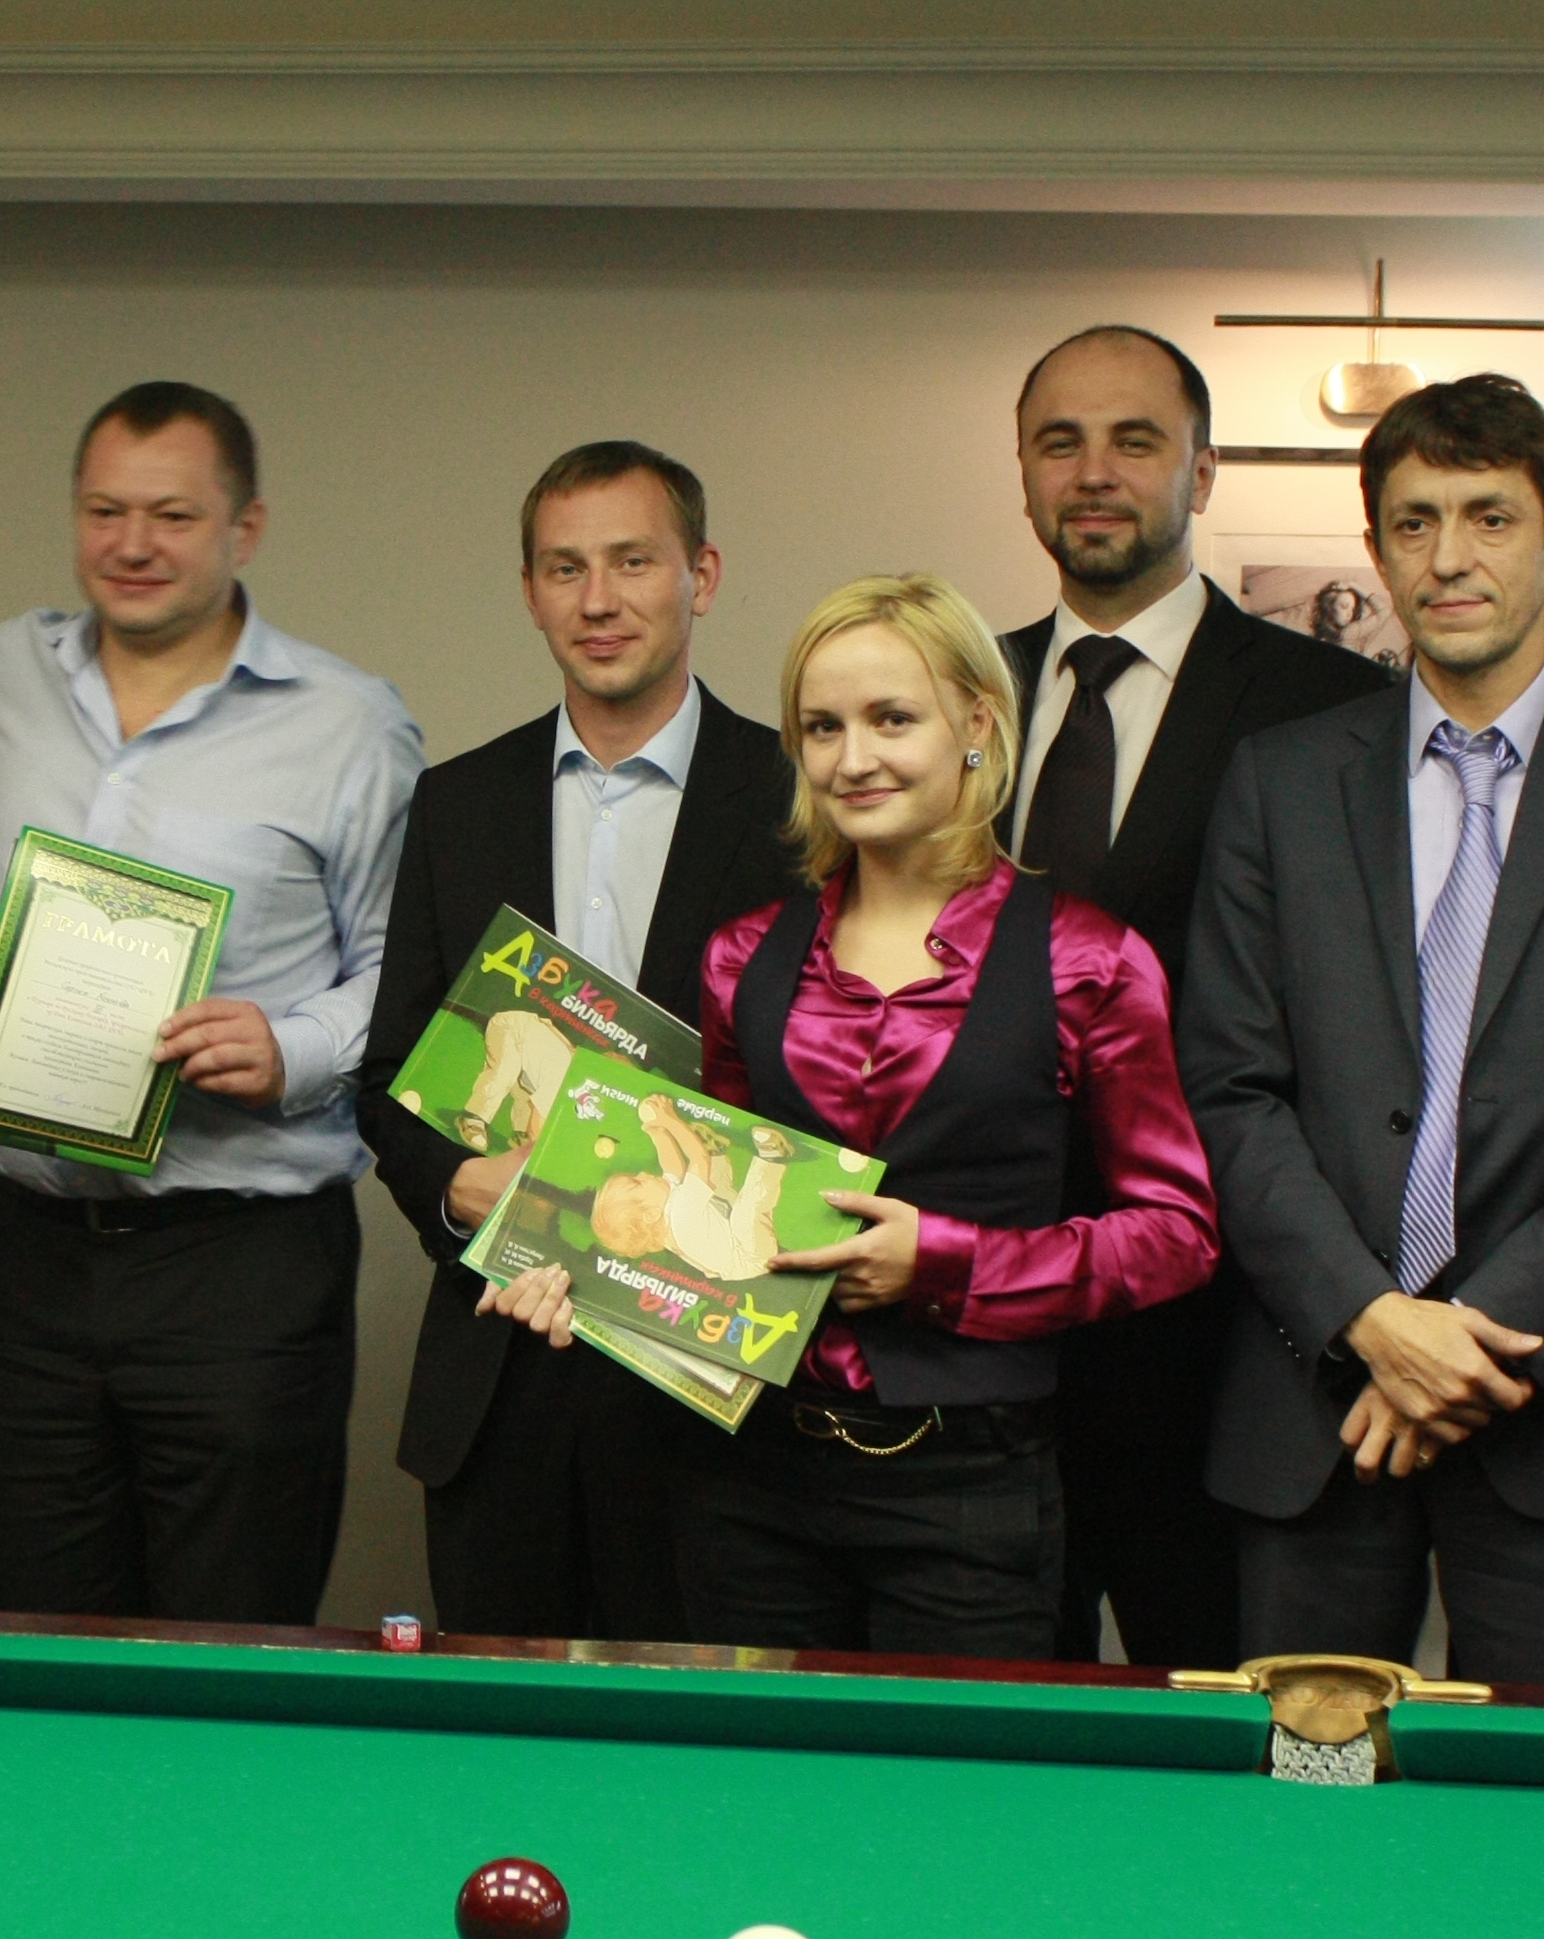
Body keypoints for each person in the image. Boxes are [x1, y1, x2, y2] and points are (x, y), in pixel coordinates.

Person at [488, 573, 1219, 1658]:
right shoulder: (743, 957)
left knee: (950, 1773)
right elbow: (708, 1209)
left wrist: (946, 1261)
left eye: (892, 719)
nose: (853, 758)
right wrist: (579, 1274)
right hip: (746, 1481)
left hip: (972, 1487)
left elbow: (1177, 1234)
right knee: (760, 1767)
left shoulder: (1090, 959)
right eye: (823, 727)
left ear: (978, 724)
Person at [1181, 374, 1544, 1690]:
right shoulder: (1281, 779)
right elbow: (1228, 1085)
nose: (1449, 557)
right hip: (1320, 1407)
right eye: (1415, 521)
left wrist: (1464, 1338)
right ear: (1378, 549)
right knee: (1315, 1786)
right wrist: (1369, 1321)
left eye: (1490, 517)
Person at [0, 381, 421, 1624]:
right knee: (34, 1640)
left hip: (239, 1264)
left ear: (246, 528)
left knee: (226, 1638)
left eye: (173, 515)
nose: (132, 543)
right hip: (28, 1257)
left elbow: (411, 975)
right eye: (104, 511)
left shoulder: (348, 725)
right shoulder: (8, 671)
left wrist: (293, 1046)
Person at [997, 327, 1389, 1668]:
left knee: (1228, 1720)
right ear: (1024, 473)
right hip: (985, 1346)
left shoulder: (1331, 709)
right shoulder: (953, 693)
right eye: (1060, 443)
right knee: (992, 1738)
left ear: (1204, 472)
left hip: (1231, 1345)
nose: (1094, 473)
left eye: (1136, 440)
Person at [355, 442, 793, 1640]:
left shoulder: (798, 795)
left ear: (702, 576)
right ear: (531, 592)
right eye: (565, 569)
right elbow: (389, 1074)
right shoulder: (458, 800)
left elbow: (834, 1077)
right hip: (500, 1380)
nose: (598, 600)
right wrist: (455, 1187)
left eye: (632, 562)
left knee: (698, 1733)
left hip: (710, 1386)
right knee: (507, 1727)